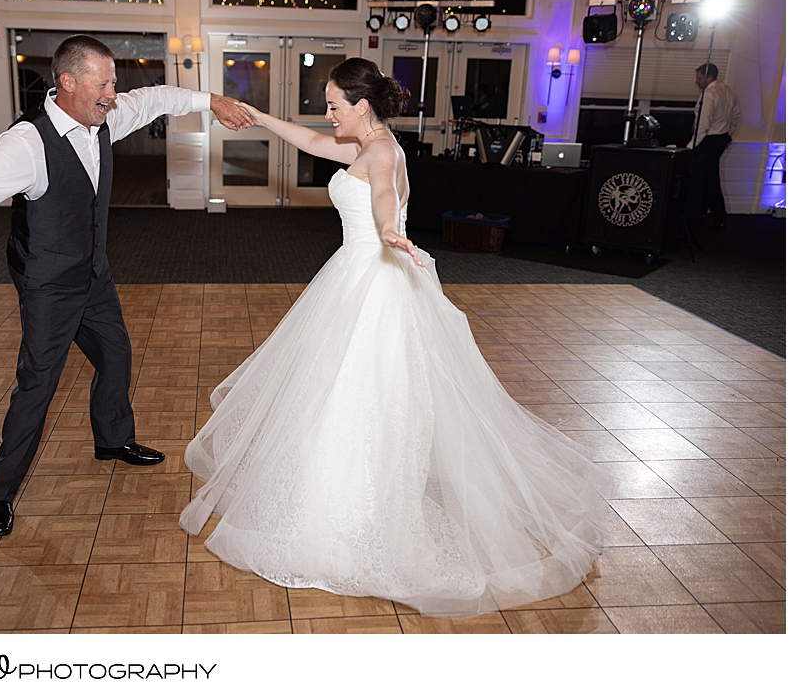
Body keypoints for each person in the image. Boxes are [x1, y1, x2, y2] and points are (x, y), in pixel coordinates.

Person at [178, 58, 611, 618]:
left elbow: (383, 194)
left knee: (356, 398)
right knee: (340, 396)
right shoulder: (362, 142)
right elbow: (310, 139)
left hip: (373, 279)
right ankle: (334, 506)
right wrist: (259, 117)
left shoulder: (379, 152)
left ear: (362, 106)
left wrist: (388, 227)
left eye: (335, 103)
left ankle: (352, 518)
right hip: (357, 276)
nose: (328, 112)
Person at [0, 34, 254, 537]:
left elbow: (158, 97)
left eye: (113, 82)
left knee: (115, 353)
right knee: (37, 387)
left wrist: (214, 102)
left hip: (91, 273)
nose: (113, 92)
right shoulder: (26, 145)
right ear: (67, 82)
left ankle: (113, 439)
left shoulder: (105, 116)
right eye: (104, 83)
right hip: (48, 284)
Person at [685, 62, 740, 230]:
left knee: (707, 179)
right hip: (720, 138)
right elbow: (736, 116)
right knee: (707, 177)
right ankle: (704, 213)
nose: (697, 82)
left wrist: (689, 147)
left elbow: (703, 125)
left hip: (707, 141)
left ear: (709, 77)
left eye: (699, 78)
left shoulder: (709, 95)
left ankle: (717, 216)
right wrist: (728, 133)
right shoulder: (728, 90)